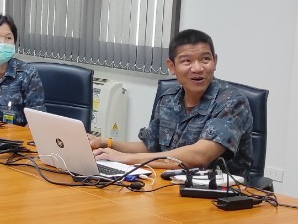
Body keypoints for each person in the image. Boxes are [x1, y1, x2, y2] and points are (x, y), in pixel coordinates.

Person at [92, 28, 253, 174]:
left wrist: (127, 159)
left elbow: (200, 156)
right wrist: (106, 144)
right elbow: (150, 146)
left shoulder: (232, 102)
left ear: (215, 62)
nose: (197, 68)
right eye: (187, 61)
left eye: (205, 59)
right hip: (168, 184)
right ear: (172, 66)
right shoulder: (168, 98)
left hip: (219, 192)